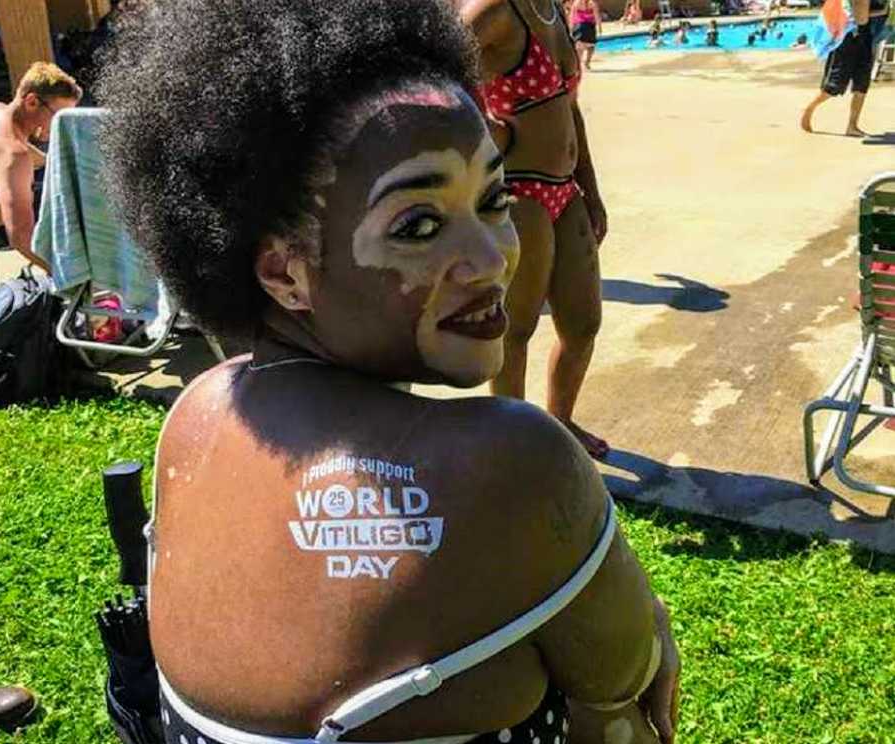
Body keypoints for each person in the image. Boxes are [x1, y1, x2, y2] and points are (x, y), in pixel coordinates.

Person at [98, 1, 680, 744]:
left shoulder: (196, 418)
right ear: (284, 272)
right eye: (419, 225)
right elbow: (625, 677)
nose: (495, 255)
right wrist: (644, 622)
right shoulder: (512, 461)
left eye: (494, 200)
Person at [455, 0, 611, 459]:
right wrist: (481, 127)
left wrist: (591, 189)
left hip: (567, 190)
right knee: (516, 329)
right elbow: (432, 66)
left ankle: (559, 424)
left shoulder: (553, 10)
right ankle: (512, 444)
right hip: (522, 192)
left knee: (583, 325)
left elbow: (570, 110)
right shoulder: (495, 10)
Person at [0, 63, 81, 272]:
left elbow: (30, 153)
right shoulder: (15, 155)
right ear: (32, 102)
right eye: (59, 117)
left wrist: (57, 163)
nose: (61, 126)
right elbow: (21, 238)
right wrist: (73, 278)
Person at [800, 0, 884, 136]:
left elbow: (865, 13)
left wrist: (884, 10)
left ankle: (852, 126)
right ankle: (809, 108)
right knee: (834, 85)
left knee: (862, 85)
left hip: (864, 34)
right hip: (846, 38)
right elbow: (855, 11)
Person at [570, 0, 602, 70]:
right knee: (591, 47)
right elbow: (597, 16)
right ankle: (587, 62)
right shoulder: (592, 3)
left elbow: (572, 17)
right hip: (588, 26)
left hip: (579, 26)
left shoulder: (576, 3)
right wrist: (599, 27)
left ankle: (578, 64)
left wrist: (571, 28)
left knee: (580, 47)